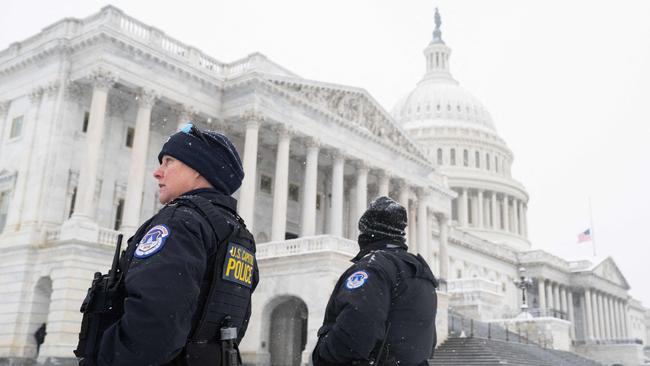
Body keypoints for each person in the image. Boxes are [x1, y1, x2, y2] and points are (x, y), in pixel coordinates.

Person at [94, 123, 258, 365]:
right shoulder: (239, 235)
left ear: (199, 170)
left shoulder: (181, 223)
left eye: (168, 161)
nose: (158, 172)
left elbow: (154, 326)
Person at [312, 196, 438, 366]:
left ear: (368, 232)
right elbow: (427, 340)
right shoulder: (421, 272)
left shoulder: (373, 268)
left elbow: (355, 331)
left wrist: (323, 354)